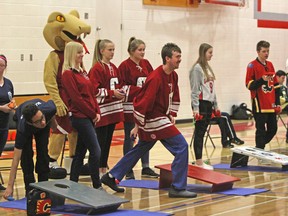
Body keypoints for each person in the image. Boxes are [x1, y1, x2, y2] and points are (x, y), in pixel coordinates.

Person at [101, 43, 197, 198]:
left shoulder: (173, 75)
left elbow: (174, 95)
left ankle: (111, 176)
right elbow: (142, 102)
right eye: (177, 57)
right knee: (181, 147)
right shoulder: (155, 78)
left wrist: (172, 113)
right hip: (153, 119)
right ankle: (178, 187)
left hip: (160, 118)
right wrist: (138, 125)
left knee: (140, 148)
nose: (180, 59)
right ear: (167, 58)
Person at [61, 41, 102, 189]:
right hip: (80, 117)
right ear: (72, 54)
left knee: (80, 152)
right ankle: (97, 185)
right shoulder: (68, 74)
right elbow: (77, 99)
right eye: (78, 52)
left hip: (89, 116)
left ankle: (72, 183)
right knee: (96, 151)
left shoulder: (83, 72)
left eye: (82, 52)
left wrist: (97, 111)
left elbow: (91, 93)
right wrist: (92, 114)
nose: (82, 54)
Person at [118, 37, 159, 179]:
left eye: (143, 50)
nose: (142, 52)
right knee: (130, 137)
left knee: (145, 135)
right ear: (132, 51)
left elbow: (154, 79)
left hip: (145, 106)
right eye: (140, 50)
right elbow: (122, 87)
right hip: (130, 107)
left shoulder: (146, 63)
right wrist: (141, 91)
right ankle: (127, 169)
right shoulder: (124, 66)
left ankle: (146, 166)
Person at [3, 99, 57, 199]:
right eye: (38, 121)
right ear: (30, 123)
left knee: (43, 154)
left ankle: (43, 188)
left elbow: (51, 114)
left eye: (42, 118)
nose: (43, 122)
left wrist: (54, 125)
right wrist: (9, 187)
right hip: (22, 118)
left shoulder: (49, 109)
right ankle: (30, 189)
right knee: (26, 157)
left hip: (42, 122)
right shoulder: (23, 128)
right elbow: (15, 160)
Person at [88, 39, 124, 178]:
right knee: (100, 142)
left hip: (113, 110)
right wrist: (111, 93)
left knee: (108, 141)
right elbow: (94, 90)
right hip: (103, 111)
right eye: (110, 49)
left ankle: (103, 167)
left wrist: (120, 93)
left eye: (114, 49)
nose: (113, 52)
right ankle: (96, 169)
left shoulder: (114, 67)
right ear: (102, 51)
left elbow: (118, 85)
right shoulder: (97, 68)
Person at [189, 43, 222, 171]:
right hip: (201, 103)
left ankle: (200, 161)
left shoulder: (207, 68)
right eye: (210, 52)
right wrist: (196, 109)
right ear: (203, 53)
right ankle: (198, 161)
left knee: (202, 132)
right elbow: (195, 90)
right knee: (199, 132)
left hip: (208, 104)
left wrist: (216, 105)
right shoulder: (197, 68)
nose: (212, 55)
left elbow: (212, 90)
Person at [245, 40, 281, 151]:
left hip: (271, 104)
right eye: (264, 51)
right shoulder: (252, 65)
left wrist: (277, 103)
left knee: (273, 129)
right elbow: (249, 85)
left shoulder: (270, 65)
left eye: (268, 51)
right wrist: (261, 80)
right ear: (258, 52)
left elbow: (276, 85)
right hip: (259, 104)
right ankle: (260, 150)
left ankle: (258, 148)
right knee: (260, 129)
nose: (266, 53)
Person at [0, 54, 14, 191]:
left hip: (4, 124)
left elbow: (11, 98)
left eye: (2, 65)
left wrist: (11, 105)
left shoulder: (8, 83)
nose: (0, 68)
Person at [275, 70, 288, 143]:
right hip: (279, 107)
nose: (283, 80)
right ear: (277, 77)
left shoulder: (284, 87)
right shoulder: (274, 87)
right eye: (282, 78)